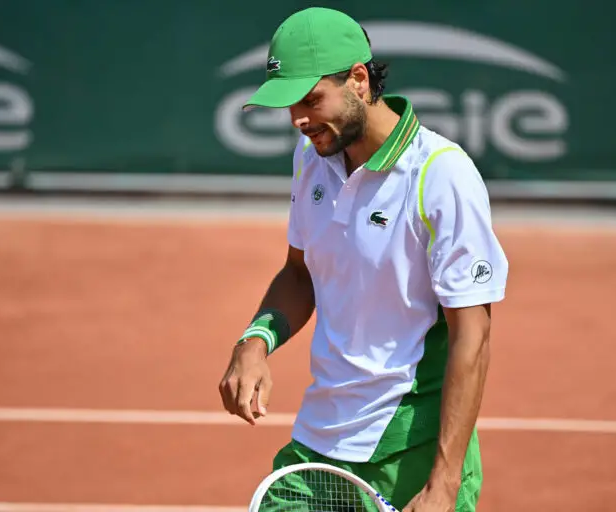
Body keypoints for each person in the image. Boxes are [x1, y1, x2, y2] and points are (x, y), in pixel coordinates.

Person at [218, 6, 509, 511]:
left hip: (409, 447)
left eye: (311, 99)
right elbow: (300, 272)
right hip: (318, 439)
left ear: (358, 80)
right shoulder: (311, 158)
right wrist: (255, 340)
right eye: (290, 106)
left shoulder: (441, 174)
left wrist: (444, 482)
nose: (299, 120)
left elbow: (473, 335)